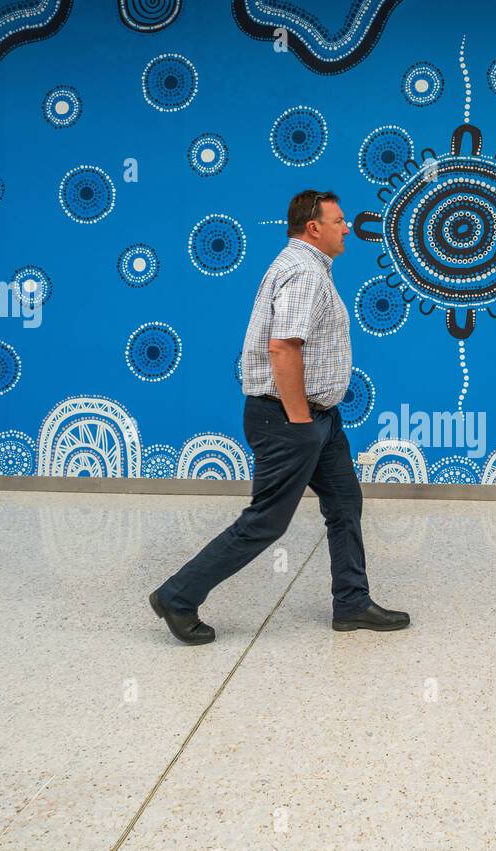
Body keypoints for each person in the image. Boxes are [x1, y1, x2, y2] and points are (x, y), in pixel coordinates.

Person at [149, 189, 410, 644]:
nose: (347, 228)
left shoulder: (308, 269)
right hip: (291, 420)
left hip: (319, 420)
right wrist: (300, 422)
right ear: (314, 228)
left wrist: (314, 421)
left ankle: (351, 602)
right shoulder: (303, 273)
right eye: (339, 221)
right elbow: (284, 346)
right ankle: (177, 595)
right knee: (266, 521)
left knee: (345, 503)